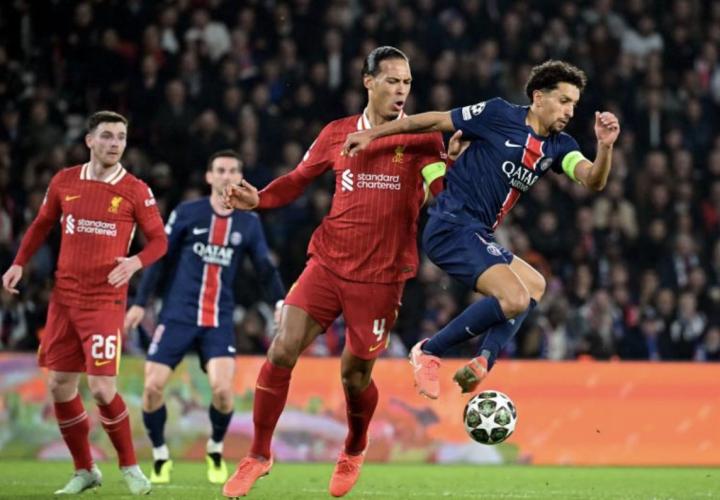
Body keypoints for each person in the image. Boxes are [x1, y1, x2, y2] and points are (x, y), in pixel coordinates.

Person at [220, 46, 458, 498]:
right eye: (392, 80)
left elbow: (439, 190)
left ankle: (353, 446)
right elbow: (298, 179)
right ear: (368, 82)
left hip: (382, 277)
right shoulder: (337, 132)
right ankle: (258, 455)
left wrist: (447, 178)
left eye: (407, 82)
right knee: (282, 348)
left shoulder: (422, 138)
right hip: (328, 262)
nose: (401, 90)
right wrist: (261, 199)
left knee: (354, 376)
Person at [342, 60, 621, 399]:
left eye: (574, 104)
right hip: (451, 224)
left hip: (477, 233)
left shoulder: (559, 146)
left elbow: (593, 180)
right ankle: (429, 350)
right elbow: (435, 120)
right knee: (514, 297)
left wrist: (605, 146)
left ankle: (483, 361)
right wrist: (372, 133)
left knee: (534, 285)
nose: (570, 111)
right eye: (563, 101)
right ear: (538, 97)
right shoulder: (498, 113)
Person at [2, 111, 168, 495]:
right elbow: (41, 224)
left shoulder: (135, 189)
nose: (115, 143)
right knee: (59, 385)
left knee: (102, 388)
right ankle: (85, 470)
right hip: (64, 299)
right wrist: (19, 263)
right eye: (107, 136)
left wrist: (135, 262)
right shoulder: (64, 181)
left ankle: (130, 467)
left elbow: (160, 241)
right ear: (89, 140)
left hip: (104, 301)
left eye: (121, 137)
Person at [123, 149, 285, 485]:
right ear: (209, 177)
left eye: (233, 171)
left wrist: (280, 301)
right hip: (177, 315)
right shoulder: (187, 212)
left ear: (240, 177)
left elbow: (264, 268)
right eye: (220, 170)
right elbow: (160, 257)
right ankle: (160, 454)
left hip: (217, 319)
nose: (227, 176)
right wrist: (140, 302)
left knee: (223, 393)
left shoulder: (249, 222)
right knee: (152, 388)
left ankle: (215, 448)